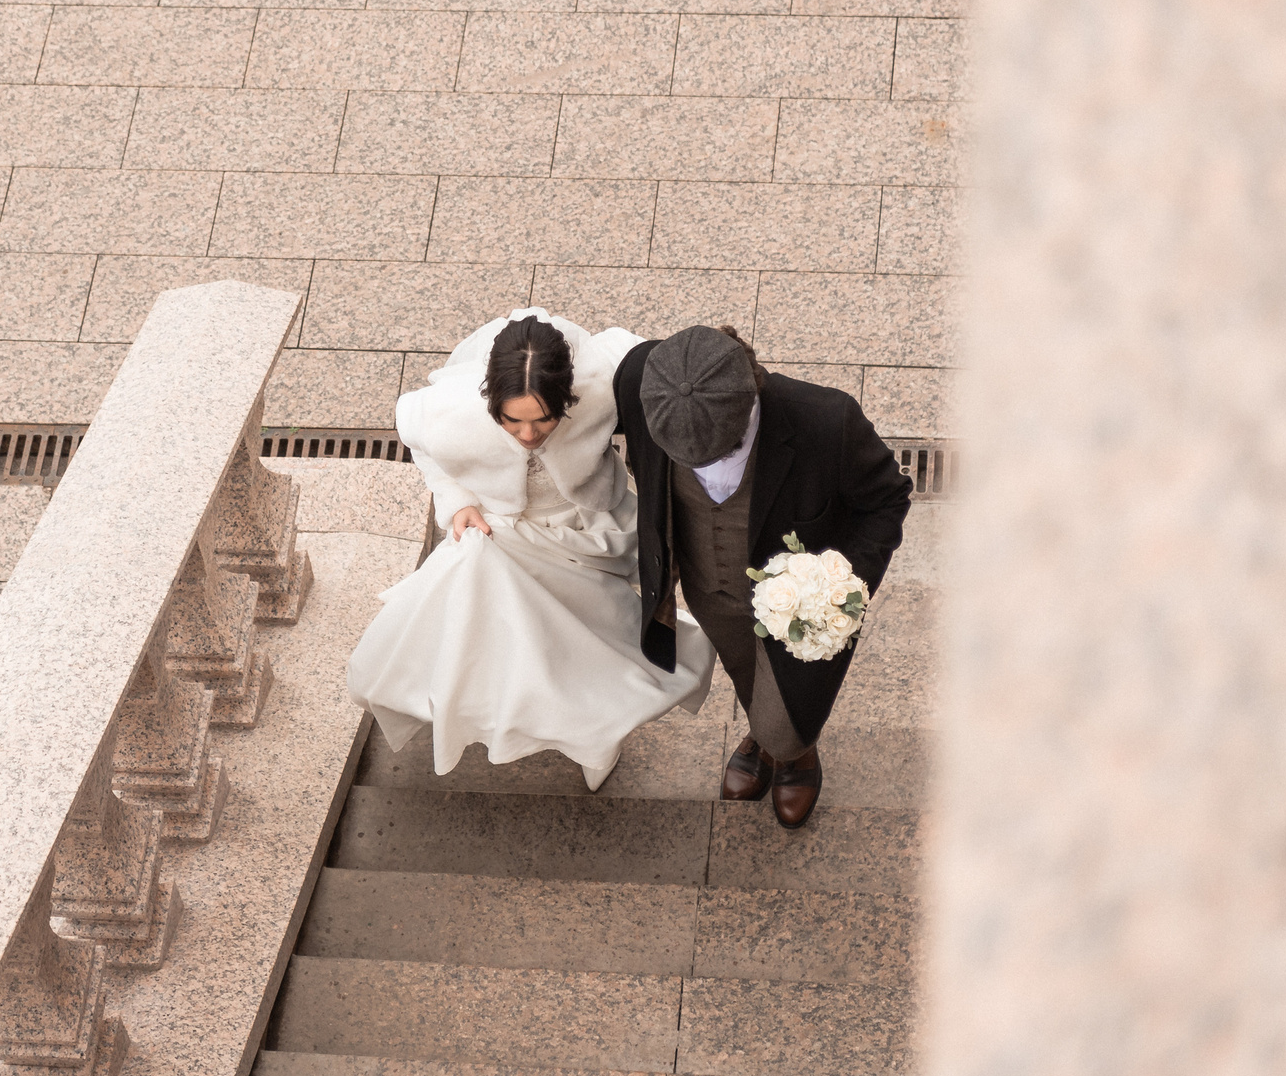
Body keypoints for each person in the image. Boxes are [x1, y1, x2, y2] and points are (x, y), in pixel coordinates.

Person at [346, 311, 716, 790]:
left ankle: (598, 729)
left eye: (543, 421)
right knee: (524, 644)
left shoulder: (601, 377)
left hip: (585, 529)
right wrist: (457, 502)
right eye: (511, 421)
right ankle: (572, 728)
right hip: (504, 535)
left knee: (601, 634)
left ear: (568, 399)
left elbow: (669, 365)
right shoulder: (451, 408)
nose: (527, 435)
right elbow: (423, 443)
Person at [611, 325, 912, 827]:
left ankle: (792, 749)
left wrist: (842, 589)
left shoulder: (826, 420)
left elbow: (887, 499)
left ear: (752, 394)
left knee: (791, 704)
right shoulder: (643, 377)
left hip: (803, 605)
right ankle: (764, 732)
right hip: (708, 589)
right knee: (743, 669)